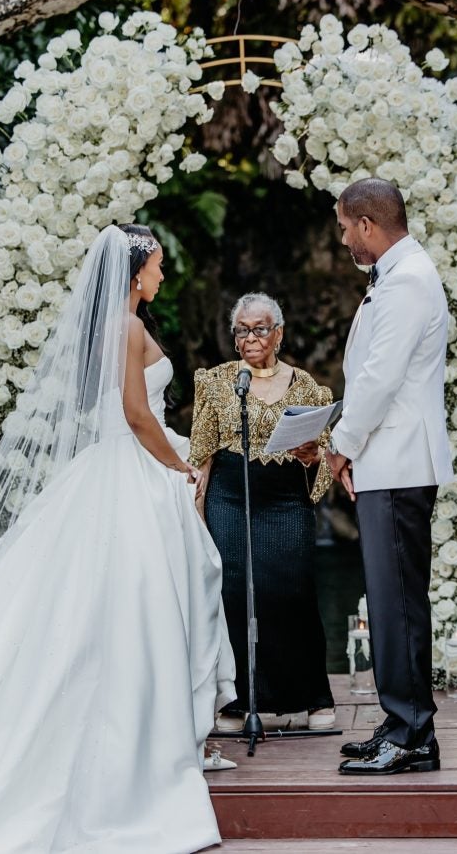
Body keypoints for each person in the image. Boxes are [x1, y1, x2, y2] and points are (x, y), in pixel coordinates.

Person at [0, 224, 235, 852]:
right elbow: (138, 415)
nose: (164, 276)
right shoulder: (129, 328)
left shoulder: (118, 326)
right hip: (134, 465)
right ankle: (151, 742)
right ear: (136, 273)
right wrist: (181, 464)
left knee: (128, 600)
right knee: (140, 602)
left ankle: (166, 729)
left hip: (118, 465)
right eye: (159, 266)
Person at [326, 178, 454, 776]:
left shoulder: (405, 282)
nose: (343, 235)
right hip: (390, 462)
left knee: (397, 601)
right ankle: (403, 720)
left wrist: (340, 447)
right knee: (390, 599)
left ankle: (411, 734)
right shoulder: (399, 276)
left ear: (369, 225)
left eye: (346, 226)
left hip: (398, 462)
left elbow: (378, 380)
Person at [189, 292, 335, 731]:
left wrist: (312, 456)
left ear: (279, 333)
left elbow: (323, 456)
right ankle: (236, 702)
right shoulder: (216, 383)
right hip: (231, 497)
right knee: (233, 590)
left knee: (292, 589)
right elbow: (202, 454)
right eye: (243, 330)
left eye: (260, 328)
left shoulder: (308, 385)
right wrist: (197, 513)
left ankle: (311, 698)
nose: (251, 337)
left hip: (287, 498)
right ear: (235, 338)